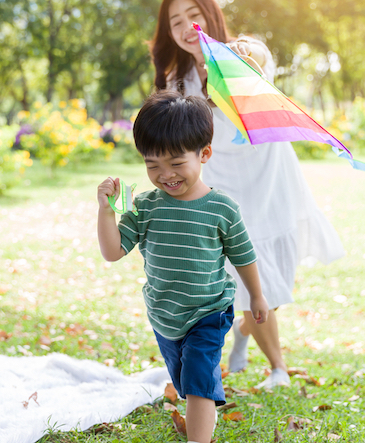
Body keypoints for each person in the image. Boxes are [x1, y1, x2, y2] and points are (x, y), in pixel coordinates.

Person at [150, 0, 345, 389]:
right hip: (225, 187)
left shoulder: (241, 52)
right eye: (176, 21)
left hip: (271, 177)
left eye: (194, 15)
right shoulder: (175, 82)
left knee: (270, 283)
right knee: (250, 279)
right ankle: (279, 369)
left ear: (210, 14)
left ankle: (243, 336)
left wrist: (240, 54)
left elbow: (255, 57)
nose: (186, 26)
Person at [97, 91, 269, 443]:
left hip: (209, 311)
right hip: (165, 315)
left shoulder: (222, 209)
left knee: (197, 381)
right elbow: (113, 252)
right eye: (152, 165)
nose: (165, 175)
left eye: (176, 163)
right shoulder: (145, 207)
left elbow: (243, 256)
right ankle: (202, 403)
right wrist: (106, 211)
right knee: (184, 379)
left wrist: (257, 297)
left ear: (204, 153)